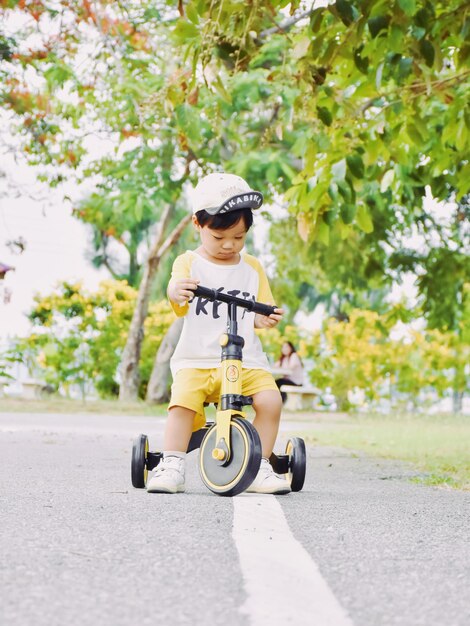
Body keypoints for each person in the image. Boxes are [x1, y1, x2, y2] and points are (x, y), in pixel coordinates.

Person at [146, 172, 291, 495]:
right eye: (219, 236)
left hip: (247, 360)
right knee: (183, 403)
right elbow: (176, 295)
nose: (229, 245)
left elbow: (260, 310)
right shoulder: (189, 262)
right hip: (197, 358)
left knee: (270, 401)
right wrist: (175, 291)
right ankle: (172, 463)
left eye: (238, 238)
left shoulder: (252, 267)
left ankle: (259, 465)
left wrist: (265, 319)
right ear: (198, 225)